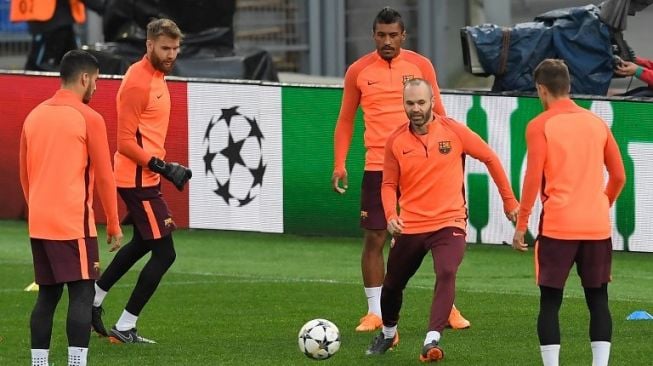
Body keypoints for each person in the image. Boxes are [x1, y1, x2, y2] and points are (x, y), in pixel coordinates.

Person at [332, 6, 470, 333]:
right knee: (375, 237)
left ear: (403, 35)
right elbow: (346, 119)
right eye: (381, 35)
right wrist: (339, 163)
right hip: (379, 165)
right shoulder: (358, 71)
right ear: (373, 36)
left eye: (393, 35)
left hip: (421, 165)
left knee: (436, 235)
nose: (387, 41)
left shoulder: (421, 65)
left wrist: (445, 155)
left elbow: (440, 114)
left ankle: (448, 307)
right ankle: (375, 311)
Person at [366, 78, 519, 361]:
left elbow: (490, 158)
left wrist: (510, 202)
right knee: (392, 287)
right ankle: (388, 333)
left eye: (421, 102)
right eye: (410, 103)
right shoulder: (396, 141)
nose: (416, 109)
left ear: (432, 102)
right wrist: (390, 215)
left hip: (450, 222)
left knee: (446, 271)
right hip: (411, 225)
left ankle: (431, 340)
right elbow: (388, 185)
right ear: (404, 104)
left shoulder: (453, 131)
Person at [512, 59, 626, 366]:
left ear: (541, 89)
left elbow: (533, 178)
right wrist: (603, 204)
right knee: (598, 300)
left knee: (550, 302)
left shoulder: (540, 125)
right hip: (596, 227)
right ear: (569, 86)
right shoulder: (596, 122)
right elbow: (619, 176)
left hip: (558, 227)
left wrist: (521, 224)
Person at [90, 18, 191, 344]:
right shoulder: (138, 82)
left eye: (175, 48)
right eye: (165, 48)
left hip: (146, 175)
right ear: (148, 45)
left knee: (143, 243)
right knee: (165, 254)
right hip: (137, 181)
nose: (171, 54)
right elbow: (124, 143)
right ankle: (124, 326)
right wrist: (164, 167)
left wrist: (162, 166)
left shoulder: (158, 76)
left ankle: (93, 300)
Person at [19, 49, 123, 366]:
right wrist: (114, 224)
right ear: (84, 78)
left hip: (40, 221)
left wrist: (38, 209)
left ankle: (40, 364)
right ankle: (76, 364)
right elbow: (106, 176)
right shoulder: (89, 118)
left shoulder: (33, 116)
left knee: (48, 295)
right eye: (97, 81)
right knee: (82, 293)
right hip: (72, 223)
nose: (97, 88)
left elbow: (25, 174)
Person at [10, 0, 106, 71]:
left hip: (60, 21)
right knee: (39, 68)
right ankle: (27, 95)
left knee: (73, 66)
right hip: (49, 21)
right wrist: (102, 6)